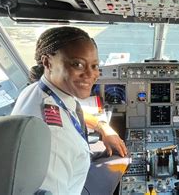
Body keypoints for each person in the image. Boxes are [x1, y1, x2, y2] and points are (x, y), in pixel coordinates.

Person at [11, 26, 128, 195]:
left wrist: (103, 126)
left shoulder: (39, 91)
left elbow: (72, 109)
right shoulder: (55, 140)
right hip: (76, 185)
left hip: (75, 173)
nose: (90, 74)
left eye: (94, 66)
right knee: (124, 158)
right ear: (47, 62)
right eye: (77, 64)